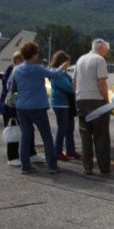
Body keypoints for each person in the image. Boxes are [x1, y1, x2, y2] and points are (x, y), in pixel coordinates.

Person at [13, 42, 68, 174]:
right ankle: (52, 166)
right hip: (37, 107)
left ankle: (25, 166)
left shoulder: (17, 69)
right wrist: (62, 67)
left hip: (21, 107)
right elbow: (55, 75)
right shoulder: (37, 69)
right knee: (46, 137)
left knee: (25, 136)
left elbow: (12, 87)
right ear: (34, 55)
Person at [73, 39, 111, 175]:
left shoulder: (80, 59)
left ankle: (87, 167)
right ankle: (104, 167)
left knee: (85, 135)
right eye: (106, 49)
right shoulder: (99, 60)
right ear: (101, 48)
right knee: (101, 136)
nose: (107, 52)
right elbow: (102, 82)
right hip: (97, 101)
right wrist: (107, 101)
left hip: (81, 100)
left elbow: (74, 81)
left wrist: (77, 96)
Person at [0, 51, 42, 166]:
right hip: (11, 108)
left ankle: (31, 153)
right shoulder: (11, 73)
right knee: (13, 131)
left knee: (29, 130)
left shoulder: (17, 71)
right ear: (18, 61)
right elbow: (11, 93)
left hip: (22, 107)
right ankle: (12, 157)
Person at [49, 50, 81, 161]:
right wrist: (74, 83)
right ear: (61, 62)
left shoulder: (63, 73)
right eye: (67, 62)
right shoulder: (55, 73)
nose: (68, 64)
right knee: (62, 128)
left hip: (67, 104)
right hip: (60, 104)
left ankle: (70, 150)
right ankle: (57, 151)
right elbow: (69, 88)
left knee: (70, 128)